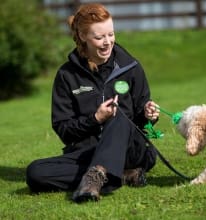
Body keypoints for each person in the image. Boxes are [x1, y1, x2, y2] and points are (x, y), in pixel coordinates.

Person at [26, 3, 160, 203]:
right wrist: (95, 119)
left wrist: (149, 115)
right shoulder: (66, 75)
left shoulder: (131, 67)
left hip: (130, 151)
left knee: (118, 117)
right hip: (87, 152)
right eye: (99, 37)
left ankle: (95, 178)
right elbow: (63, 129)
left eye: (111, 34)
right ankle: (121, 175)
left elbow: (141, 124)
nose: (108, 42)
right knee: (35, 173)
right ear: (82, 37)